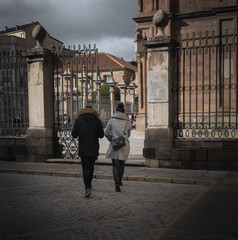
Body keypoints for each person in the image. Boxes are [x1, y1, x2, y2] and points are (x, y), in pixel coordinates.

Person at [72, 106, 104, 198]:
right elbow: (101, 135)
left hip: (83, 147)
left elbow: (74, 134)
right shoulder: (96, 120)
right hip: (93, 147)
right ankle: (89, 185)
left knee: (85, 168)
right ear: (93, 111)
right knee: (91, 167)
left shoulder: (79, 120)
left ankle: (87, 187)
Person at [104, 103, 131, 192]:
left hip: (114, 144)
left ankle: (116, 183)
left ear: (116, 110)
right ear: (123, 111)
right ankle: (120, 181)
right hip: (124, 145)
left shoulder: (111, 119)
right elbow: (129, 134)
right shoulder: (127, 121)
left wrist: (110, 139)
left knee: (115, 165)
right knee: (122, 164)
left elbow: (106, 133)